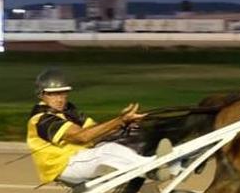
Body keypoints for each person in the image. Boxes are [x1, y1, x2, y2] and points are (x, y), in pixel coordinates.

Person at [26, 68, 171, 185]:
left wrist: (123, 124)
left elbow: (96, 131)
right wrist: (119, 120)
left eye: (63, 93)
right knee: (108, 151)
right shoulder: (42, 118)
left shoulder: (69, 111)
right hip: (63, 167)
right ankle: (152, 167)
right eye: (53, 94)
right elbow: (83, 136)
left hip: (79, 159)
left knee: (116, 144)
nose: (59, 99)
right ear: (41, 95)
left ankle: (162, 166)